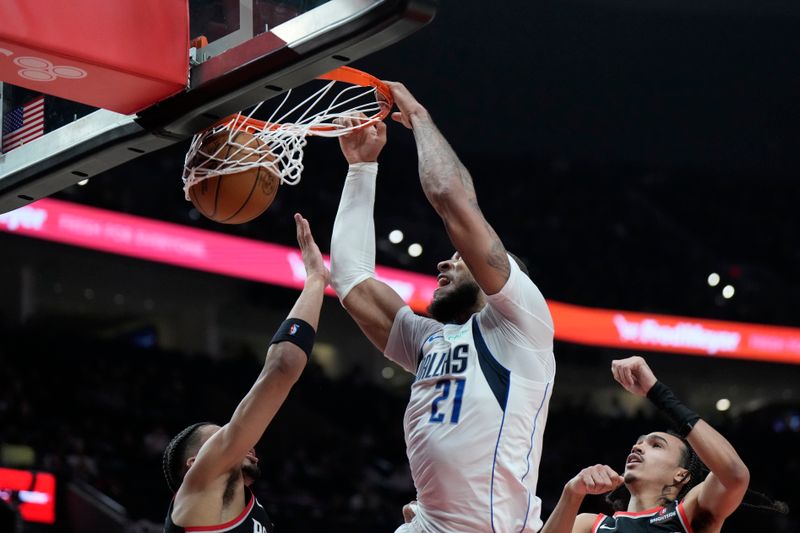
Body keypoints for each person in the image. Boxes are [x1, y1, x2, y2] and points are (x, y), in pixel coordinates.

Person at [330, 83, 556, 532]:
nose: (444, 261)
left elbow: (452, 200)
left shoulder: (521, 324)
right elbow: (352, 281)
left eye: (458, 258)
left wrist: (418, 117)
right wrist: (361, 170)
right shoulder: (432, 340)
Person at [161, 214, 328, 533]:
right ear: (196, 466)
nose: (244, 440)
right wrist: (316, 280)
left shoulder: (253, 513)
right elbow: (282, 367)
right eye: (223, 436)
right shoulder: (200, 492)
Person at [541, 356, 751, 533]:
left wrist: (657, 392)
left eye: (656, 445)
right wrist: (572, 493)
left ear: (681, 474)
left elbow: (735, 474)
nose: (638, 447)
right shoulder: (591, 525)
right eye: (638, 443)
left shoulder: (687, 514)